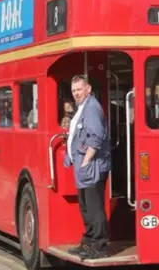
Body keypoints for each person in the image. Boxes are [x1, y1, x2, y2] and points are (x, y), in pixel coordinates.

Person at [63, 75, 111, 259]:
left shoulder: (91, 108)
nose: (76, 93)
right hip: (83, 167)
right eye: (74, 91)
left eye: (79, 89)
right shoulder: (82, 107)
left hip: (92, 166)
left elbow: (96, 137)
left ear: (88, 88)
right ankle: (89, 242)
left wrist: (86, 161)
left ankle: (99, 246)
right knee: (85, 207)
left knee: (94, 207)